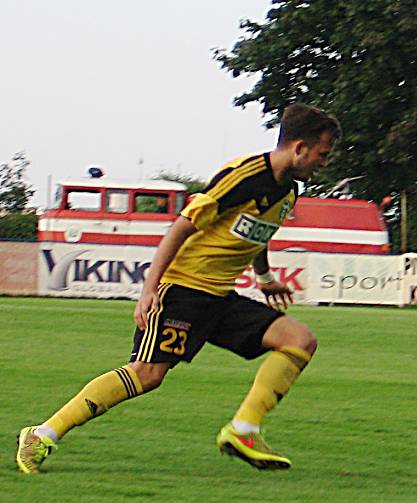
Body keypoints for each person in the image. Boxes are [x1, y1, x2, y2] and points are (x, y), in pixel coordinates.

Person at [15, 103, 341, 474]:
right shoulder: (245, 176)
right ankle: (42, 434)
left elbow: (256, 234)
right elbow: (182, 226)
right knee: (147, 374)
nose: (324, 162)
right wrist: (150, 289)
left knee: (300, 340)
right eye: (322, 154)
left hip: (220, 297)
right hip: (183, 290)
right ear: (299, 147)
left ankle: (244, 429)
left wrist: (265, 279)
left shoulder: (287, 192)